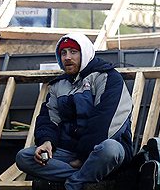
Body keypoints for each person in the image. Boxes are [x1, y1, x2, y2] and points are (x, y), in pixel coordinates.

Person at [15, 33, 133, 190]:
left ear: (85, 53)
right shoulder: (58, 85)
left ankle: (74, 184)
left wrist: (85, 155)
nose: (67, 57)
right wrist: (46, 141)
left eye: (73, 52)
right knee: (24, 157)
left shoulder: (108, 77)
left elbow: (106, 122)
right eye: (63, 53)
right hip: (70, 153)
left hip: (101, 151)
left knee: (110, 149)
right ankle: (85, 175)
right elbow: (49, 118)